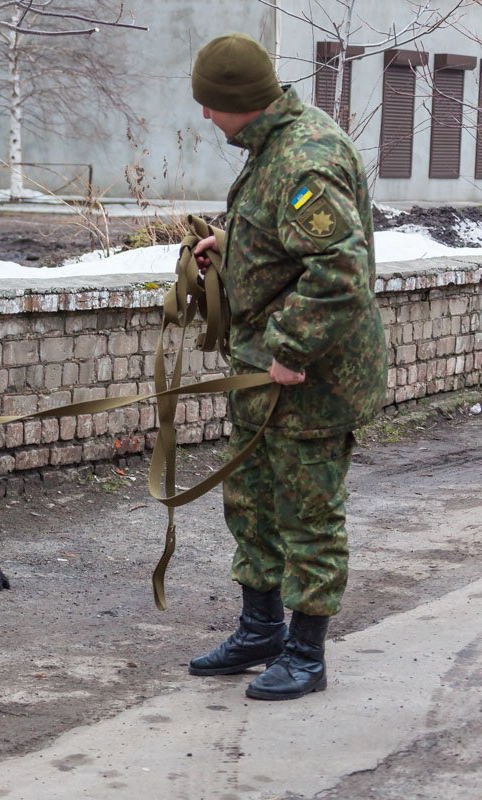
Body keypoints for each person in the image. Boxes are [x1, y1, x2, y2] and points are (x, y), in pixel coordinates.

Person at [185, 33, 387, 700]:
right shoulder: (273, 145)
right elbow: (286, 241)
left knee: (307, 516)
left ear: (241, 100)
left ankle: (306, 653)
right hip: (264, 374)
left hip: (310, 381)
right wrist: (231, 244)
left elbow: (340, 272)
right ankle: (260, 630)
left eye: (211, 104)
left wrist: (291, 349)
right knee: (252, 503)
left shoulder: (305, 162)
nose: (206, 115)